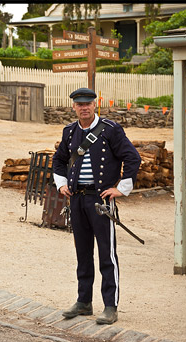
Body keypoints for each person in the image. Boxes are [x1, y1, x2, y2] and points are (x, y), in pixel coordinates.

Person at [53, 87, 141, 324]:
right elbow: (59, 159)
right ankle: (84, 302)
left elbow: (132, 157)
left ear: (95, 105)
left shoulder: (111, 130)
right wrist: (61, 183)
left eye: (88, 103)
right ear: (74, 107)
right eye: (79, 104)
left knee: (106, 255)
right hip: (77, 199)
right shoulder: (69, 132)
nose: (84, 107)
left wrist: (120, 189)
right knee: (82, 253)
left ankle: (110, 306)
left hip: (101, 200)